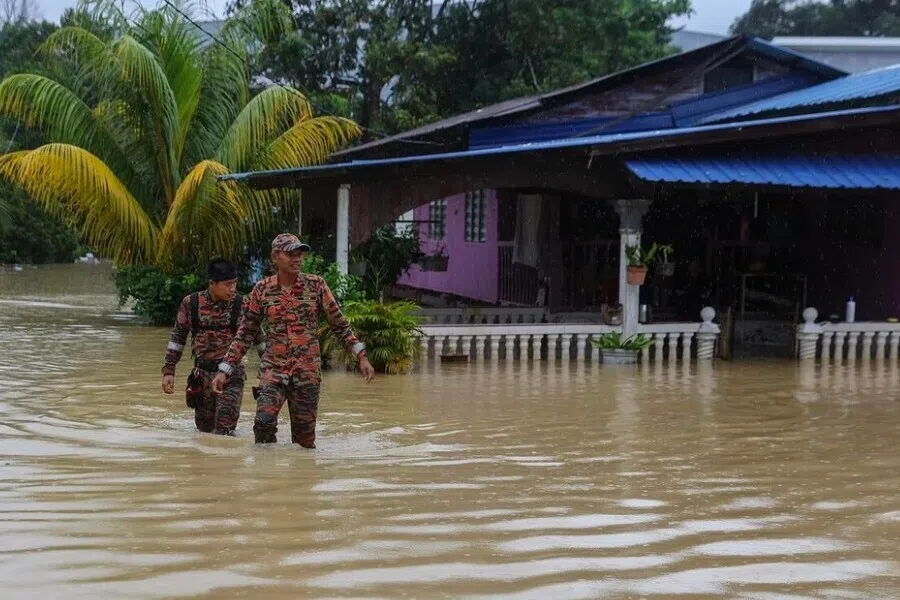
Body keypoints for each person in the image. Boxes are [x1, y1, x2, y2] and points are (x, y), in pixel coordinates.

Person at [212, 233, 375, 448]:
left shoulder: (316, 286)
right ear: (275, 257)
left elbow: (339, 324)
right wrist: (225, 369)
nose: (297, 258)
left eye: (299, 254)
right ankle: (266, 466)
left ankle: (302, 469)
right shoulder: (262, 290)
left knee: (304, 440)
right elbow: (245, 333)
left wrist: (361, 355)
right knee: (263, 423)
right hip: (273, 371)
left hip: (306, 373)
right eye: (290, 254)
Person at [161, 258, 263, 436]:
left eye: (234, 283)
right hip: (201, 377)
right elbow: (177, 338)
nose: (233, 289)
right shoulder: (191, 303)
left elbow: (260, 339)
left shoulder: (243, 305)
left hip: (231, 376)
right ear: (212, 283)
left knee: (224, 431)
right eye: (227, 284)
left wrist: (269, 371)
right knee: (204, 433)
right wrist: (169, 371)